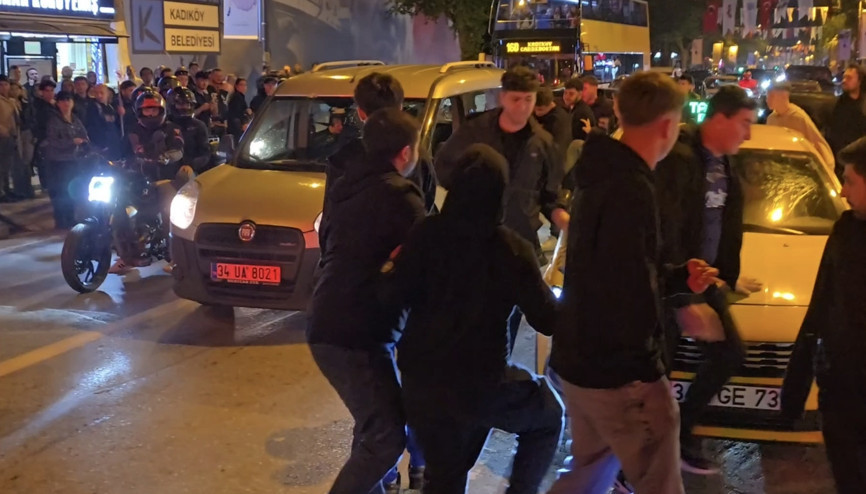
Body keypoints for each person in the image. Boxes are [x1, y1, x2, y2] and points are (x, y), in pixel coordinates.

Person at [548, 71, 717, 494]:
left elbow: (617, 266)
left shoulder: (599, 172)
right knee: (657, 478)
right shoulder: (631, 186)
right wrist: (647, 369)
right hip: (619, 371)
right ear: (666, 125)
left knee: (588, 475)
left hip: (580, 361)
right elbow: (628, 284)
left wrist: (678, 278)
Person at [380, 143, 563, 494]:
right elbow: (548, 319)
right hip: (482, 387)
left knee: (446, 474)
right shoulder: (511, 249)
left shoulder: (425, 236)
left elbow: (390, 298)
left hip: (423, 386)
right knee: (547, 416)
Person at [307, 107, 426, 494]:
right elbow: (428, 260)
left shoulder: (346, 187)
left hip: (330, 320)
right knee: (387, 437)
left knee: (374, 428)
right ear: (406, 153)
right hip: (356, 331)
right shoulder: (402, 196)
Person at [655, 85, 761, 474]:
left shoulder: (725, 162)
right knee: (656, 374)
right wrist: (685, 298)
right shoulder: (680, 160)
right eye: (744, 124)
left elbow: (726, 224)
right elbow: (668, 232)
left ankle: (680, 430)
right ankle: (641, 459)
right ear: (719, 119)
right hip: (674, 284)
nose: (749, 133)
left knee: (731, 352)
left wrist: (727, 276)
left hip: (706, 279)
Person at [435, 65, 568, 354]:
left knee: (504, 320)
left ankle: (495, 368)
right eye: (516, 99)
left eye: (528, 100)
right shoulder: (475, 131)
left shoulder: (543, 143)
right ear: (503, 97)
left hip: (518, 241)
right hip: (472, 240)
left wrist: (564, 219)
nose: (522, 107)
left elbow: (550, 196)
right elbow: (443, 166)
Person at [781, 137, 866, 494]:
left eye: (849, 181)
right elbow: (821, 306)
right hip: (842, 392)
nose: (843, 192)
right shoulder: (845, 230)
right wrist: (797, 383)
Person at [40, 91, 89, 229]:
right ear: (58, 103)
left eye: (69, 100)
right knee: (60, 192)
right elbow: (53, 141)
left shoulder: (75, 119)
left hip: (74, 160)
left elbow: (84, 134)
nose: (66, 103)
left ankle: (71, 217)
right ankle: (61, 220)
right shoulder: (53, 120)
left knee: (72, 191)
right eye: (63, 101)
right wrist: (72, 142)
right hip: (58, 162)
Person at [766, 82, 835, 174]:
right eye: (767, 96)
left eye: (771, 96)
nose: (767, 100)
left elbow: (816, 143)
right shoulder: (771, 119)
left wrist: (826, 169)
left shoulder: (798, 117)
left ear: (783, 97)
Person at [827, 63, 866, 179]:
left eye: (849, 78)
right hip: (840, 166)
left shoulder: (863, 106)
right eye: (844, 77)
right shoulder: (836, 106)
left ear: (859, 81)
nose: (844, 80)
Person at [166, 86, 211, 172]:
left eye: (188, 104)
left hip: (190, 171)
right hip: (167, 170)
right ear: (172, 105)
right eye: (181, 104)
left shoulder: (198, 125)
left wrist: (190, 166)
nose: (186, 107)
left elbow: (205, 153)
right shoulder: (164, 125)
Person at [30, 79, 57, 194]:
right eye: (47, 91)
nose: (50, 93)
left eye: (52, 90)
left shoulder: (55, 105)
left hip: (55, 140)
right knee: (45, 165)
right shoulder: (37, 106)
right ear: (41, 92)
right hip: (44, 139)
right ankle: (46, 186)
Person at [85, 84, 123, 160]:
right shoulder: (92, 107)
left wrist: (120, 114)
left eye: (102, 93)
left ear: (107, 93)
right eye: (96, 93)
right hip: (102, 146)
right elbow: (93, 128)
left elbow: (118, 125)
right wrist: (101, 145)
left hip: (114, 143)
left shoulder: (111, 107)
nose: (99, 95)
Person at [0, 75, 19, 202]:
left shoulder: (11, 100)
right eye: (1, 85)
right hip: (2, 136)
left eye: (6, 84)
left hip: (11, 136)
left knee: (7, 165)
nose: (4, 87)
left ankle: (6, 189)